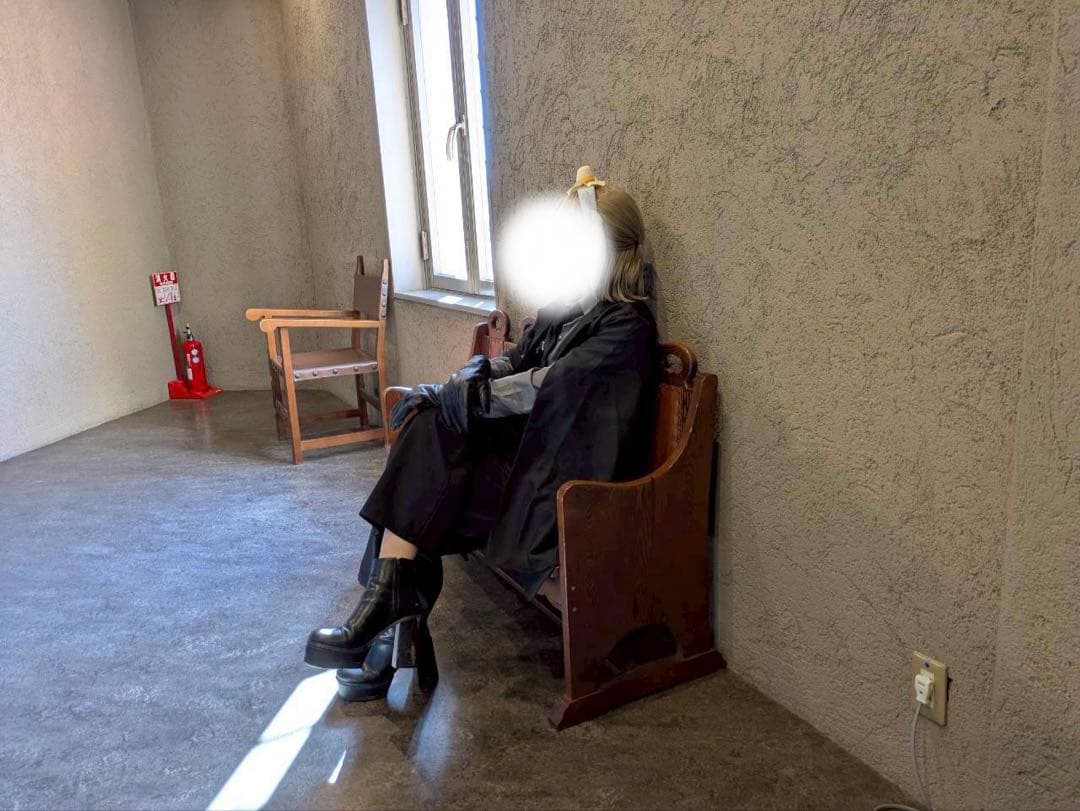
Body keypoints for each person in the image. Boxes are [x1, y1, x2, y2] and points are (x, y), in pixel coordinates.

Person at [304, 166, 660, 701]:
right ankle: (391, 617)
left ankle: (388, 624)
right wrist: (458, 385)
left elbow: (544, 387)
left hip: (563, 483)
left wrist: (457, 396)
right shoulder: (568, 308)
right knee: (427, 447)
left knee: (426, 460)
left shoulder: (626, 328)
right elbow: (514, 361)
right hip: (530, 460)